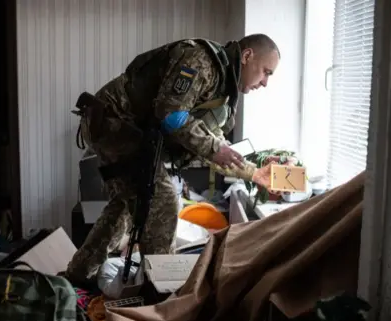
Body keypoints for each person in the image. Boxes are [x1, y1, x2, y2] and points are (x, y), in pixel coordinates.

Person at [66, 34, 281, 284]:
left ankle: (77, 275)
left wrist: (253, 172)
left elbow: (213, 140)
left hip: (126, 128)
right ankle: (160, 293)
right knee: (162, 199)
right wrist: (215, 149)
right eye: (266, 72)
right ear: (247, 56)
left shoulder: (223, 85)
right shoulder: (202, 61)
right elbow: (171, 115)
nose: (265, 82)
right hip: (114, 121)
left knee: (127, 205)